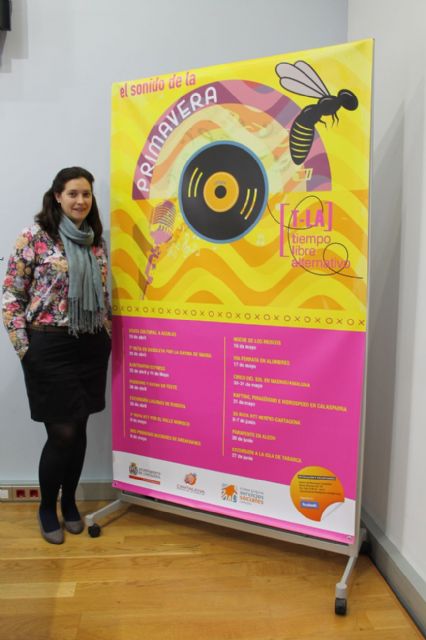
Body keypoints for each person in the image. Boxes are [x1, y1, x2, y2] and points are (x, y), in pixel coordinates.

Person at [2, 167, 112, 545]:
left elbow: (104, 295)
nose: (80, 200)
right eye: (73, 194)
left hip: (90, 345)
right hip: (49, 347)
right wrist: (24, 348)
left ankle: (69, 503)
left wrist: (107, 333)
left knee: (79, 431)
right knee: (62, 433)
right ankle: (47, 507)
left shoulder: (95, 241)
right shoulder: (34, 237)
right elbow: (12, 296)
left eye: (86, 194)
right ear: (57, 196)